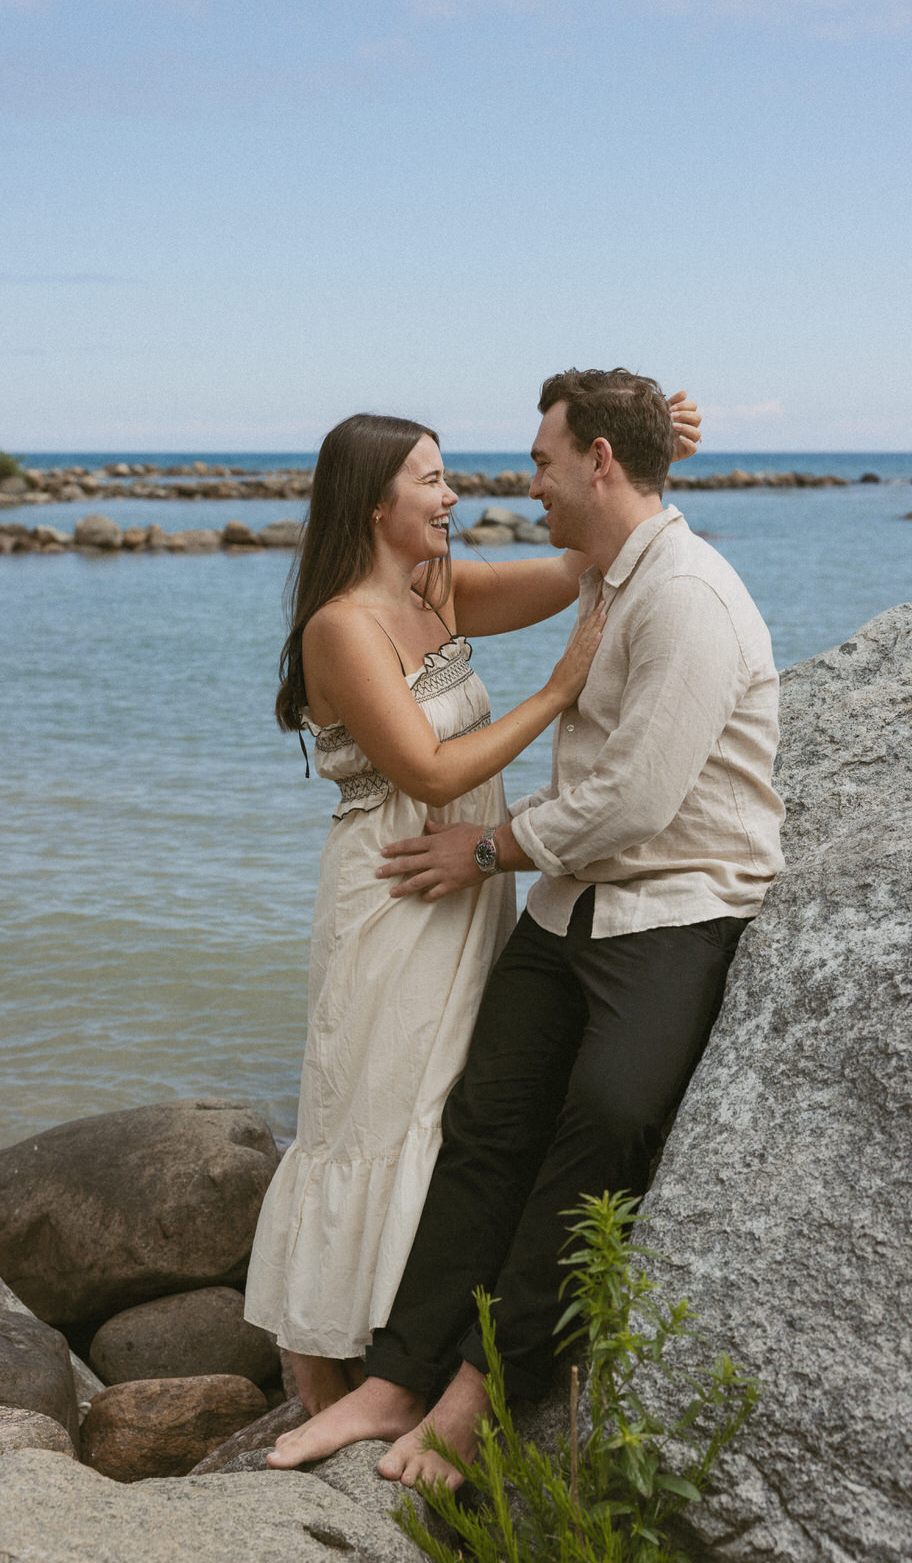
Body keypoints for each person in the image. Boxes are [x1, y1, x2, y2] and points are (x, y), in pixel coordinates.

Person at [266, 367, 786, 1485]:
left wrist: (643, 465)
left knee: (555, 1123)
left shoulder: (644, 591)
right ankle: (370, 1374)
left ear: (595, 462)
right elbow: (435, 757)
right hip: (456, 884)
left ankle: (460, 1391)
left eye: (537, 461)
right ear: (374, 502)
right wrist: (553, 692)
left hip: (581, 889)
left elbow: (632, 773)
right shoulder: (364, 617)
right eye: (437, 477)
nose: (494, 485)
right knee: (432, 1116)